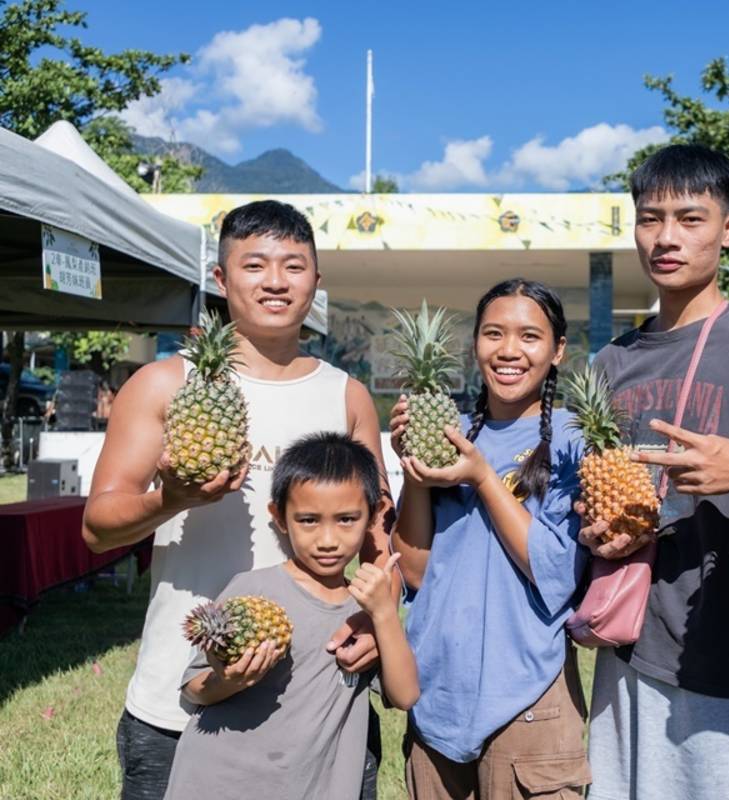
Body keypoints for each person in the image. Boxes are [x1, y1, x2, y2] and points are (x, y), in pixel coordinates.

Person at [82, 200, 395, 799]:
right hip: (183, 696)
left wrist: (379, 622)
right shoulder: (165, 384)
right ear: (221, 280)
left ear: (316, 282)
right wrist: (168, 500)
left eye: (294, 266)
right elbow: (98, 527)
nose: (276, 281)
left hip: (319, 698)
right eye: (255, 265)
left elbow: (379, 538)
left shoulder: (347, 395)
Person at [582, 144, 729, 800]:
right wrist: (594, 526)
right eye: (649, 218)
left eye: (690, 219)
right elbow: (587, 485)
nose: (665, 237)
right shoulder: (611, 361)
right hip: (629, 639)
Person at [390, 279, 590, 798]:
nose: (508, 351)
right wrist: (414, 468)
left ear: (557, 350)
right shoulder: (448, 430)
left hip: (528, 701)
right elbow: (414, 571)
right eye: (493, 333)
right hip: (437, 697)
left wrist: (481, 476)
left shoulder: (575, 440)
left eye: (529, 336)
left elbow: (555, 572)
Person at [163, 432, 419, 799]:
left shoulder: (365, 611)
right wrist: (231, 680)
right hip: (216, 783)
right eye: (309, 520)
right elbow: (193, 688)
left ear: (374, 515)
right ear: (280, 517)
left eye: (347, 519)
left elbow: (405, 696)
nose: (328, 539)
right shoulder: (252, 589)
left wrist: (384, 616)